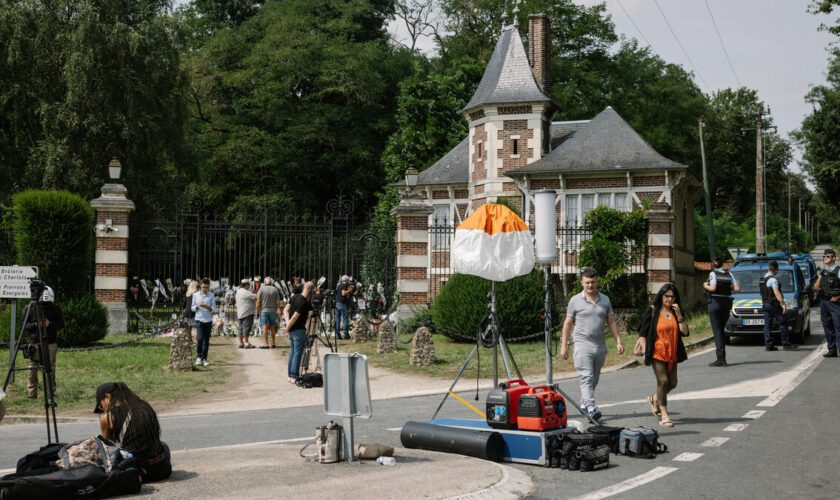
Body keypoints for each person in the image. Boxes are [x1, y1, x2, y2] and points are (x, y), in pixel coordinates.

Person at [561, 269, 624, 421]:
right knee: (586, 376)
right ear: (582, 283)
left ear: (597, 282)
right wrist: (564, 344)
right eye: (587, 282)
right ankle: (591, 408)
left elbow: (611, 321)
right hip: (582, 343)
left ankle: (584, 404)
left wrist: (618, 341)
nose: (590, 285)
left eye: (593, 282)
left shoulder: (605, 300)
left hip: (599, 344)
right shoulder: (575, 300)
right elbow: (568, 323)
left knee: (594, 378)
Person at [93, 382, 171, 482]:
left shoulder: (107, 417)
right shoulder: (144, 407)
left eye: (100, 405)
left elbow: (108, 447)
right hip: (162, 470)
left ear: (107, 396)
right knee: (163, 445)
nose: (102, 409)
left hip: (137, 474)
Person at [637, 283, 690, 428]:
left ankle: (655, 399)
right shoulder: (653, 311)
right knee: (663, 381)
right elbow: (642, 334)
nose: (669, 299)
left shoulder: (675, 312)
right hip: (657, 352)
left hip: (672, 352)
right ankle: (665, 414)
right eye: (667, 296)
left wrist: (679, 315)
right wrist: (645, 350)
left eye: (672, 297)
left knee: (673, 383)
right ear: (661, 296)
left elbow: (685, 332)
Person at [23, 286, 64, 399]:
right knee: (32, 368)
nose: (45, 304)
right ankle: (31, 393)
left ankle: (51, 393)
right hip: (34, 342)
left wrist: (49, 324)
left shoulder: (55, 308)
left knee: (50, 368)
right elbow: (23, 325)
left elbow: (61, 324)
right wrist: (36, 325)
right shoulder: (30, 307)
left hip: (50, 342)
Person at [703, 257, 740, 367]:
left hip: (715, 303)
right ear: (722, 264)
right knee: (721, 329)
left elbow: (713, 288)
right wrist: (728, 291)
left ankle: (721, 359)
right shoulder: (729, 274)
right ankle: (721, 356)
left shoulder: (713, 274)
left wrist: (705, 285)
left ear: (714, 265)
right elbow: (737, 288)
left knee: (717, 330)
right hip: (727, 302)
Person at [760, 261, 797, 351]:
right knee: (783, 323)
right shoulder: (773, 280)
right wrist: (783, 304)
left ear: (768, 268)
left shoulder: (762, 279)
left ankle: (769, 345)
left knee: (767, 325)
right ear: (776, 270)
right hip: (773, 304)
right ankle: (786, 344)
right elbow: (777, 293)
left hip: (765, 304)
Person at [283, 281, 314, 383]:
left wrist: (288, 324)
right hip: (298, 330)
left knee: (293, 351)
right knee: (297, 353)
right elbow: (296, 316)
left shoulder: (294, 297)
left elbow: (286, 310)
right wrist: (288, 326)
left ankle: (290, 374)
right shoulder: (304, 302)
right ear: (311, 291)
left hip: (292, 330)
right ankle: (294, 375)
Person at [813, 248, 840, 357]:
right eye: (824, 256)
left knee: (838, 326)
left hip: (835, 302)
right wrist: (821, 276)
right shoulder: (823, 271)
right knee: (827, 326)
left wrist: (837, 296)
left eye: (827, 256)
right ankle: (832, 349)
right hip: (824, 302)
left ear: (834, 258)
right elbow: (816, 287)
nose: (825, 258)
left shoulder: (838, 271)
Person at [191, 278, 215, 366]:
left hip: (208, 320)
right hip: (199, 319)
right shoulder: (196, 295)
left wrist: (207, 307)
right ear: (200, 286)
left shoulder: (211, 295)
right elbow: (192, 308)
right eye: (204, 287)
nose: (205, 289)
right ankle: (198, 356)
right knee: (200, 338)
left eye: (207, 287)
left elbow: (213, 309)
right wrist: (197, 306)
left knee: (206, 340)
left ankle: (204, 358)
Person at [255, 276, 281, 349]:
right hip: (273, 310)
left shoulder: (261, 289)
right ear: (271, 282)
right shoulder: (275, 289)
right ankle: (273, 343)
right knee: (272, 327)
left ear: (264, 282)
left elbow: (258, 302)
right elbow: (277, 301)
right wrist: (278, 308)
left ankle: (266, 344)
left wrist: (256, 312)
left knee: (265, 327)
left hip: (264, 310)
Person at [235, 278, 257, 348]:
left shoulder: (238, 291)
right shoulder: (246, 292)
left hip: (240, 313)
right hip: (247, 312)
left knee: (241, 328)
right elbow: (256, 296)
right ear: (246, 285)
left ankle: (241, 343)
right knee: (246, 328)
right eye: (249, 285)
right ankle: (246, 343)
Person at [334, 275, 353, 339]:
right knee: (345, 319)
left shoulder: (338, 285)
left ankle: (337, 335)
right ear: (347, 280)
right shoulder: (344, 285)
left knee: (337, 320)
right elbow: (343, 293)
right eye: (348, 281)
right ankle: (346, 334)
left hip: (337, 304)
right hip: (342, 304)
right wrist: (350, 290)